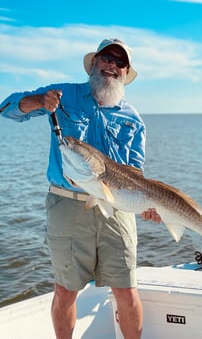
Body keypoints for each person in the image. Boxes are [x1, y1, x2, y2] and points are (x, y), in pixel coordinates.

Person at [0, 38, 161, 339]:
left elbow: (136, 173)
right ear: (94, 62)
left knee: (126, 291)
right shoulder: (65, 94)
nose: (112, 65)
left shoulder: (134, 120)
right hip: (68, 204)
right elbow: (7, 108)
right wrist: (39, 102)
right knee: (65, 291)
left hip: (117, 207)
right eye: (106, 57)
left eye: (120, 62)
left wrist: (148, 206)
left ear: (126, 72)